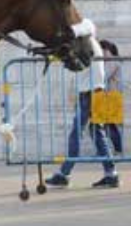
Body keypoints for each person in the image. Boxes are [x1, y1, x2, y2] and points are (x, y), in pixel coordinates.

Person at [45, 37, 119, 189]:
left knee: (76, 132)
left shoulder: (86, 43)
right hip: (94, 91)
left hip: (89, 93)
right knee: (97, 133)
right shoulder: (90, 43)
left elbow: (73, 60)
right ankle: (111, 174)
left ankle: (64, 174)